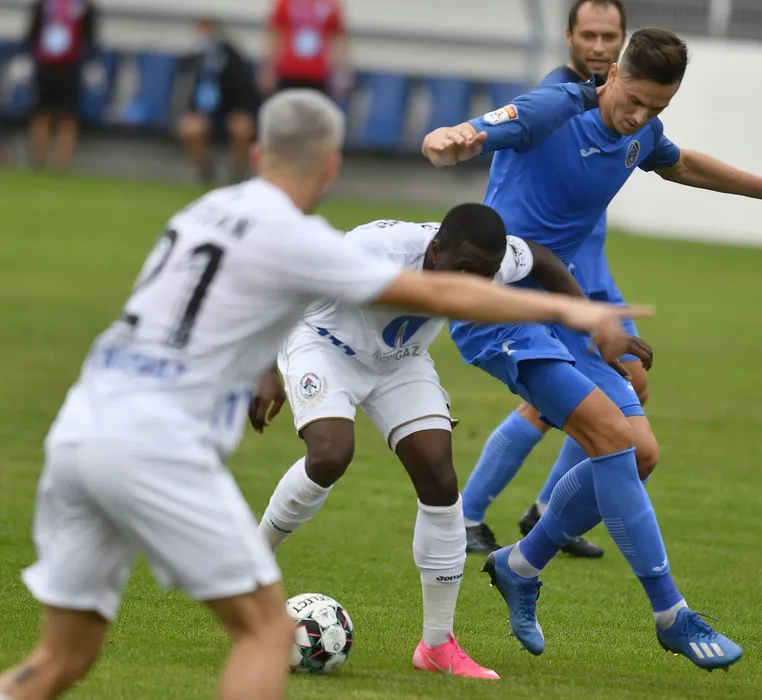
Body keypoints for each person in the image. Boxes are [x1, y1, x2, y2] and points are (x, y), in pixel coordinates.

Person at [0, 88, 649, 700]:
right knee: (269, 623)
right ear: (333, 167)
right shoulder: (335, 242)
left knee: (64, 657)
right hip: (245, 392)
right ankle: (260, 556)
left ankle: (437, 643)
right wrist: (577, 315)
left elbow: (532, 259)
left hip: (84, 425)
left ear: (257, 152)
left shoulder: (201, 212)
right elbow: (426, 293)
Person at [422, 28, 762, 670]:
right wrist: (452, 138)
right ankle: (671, 612)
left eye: (658, 108)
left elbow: (684, 164)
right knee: (610, 438)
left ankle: (521, 564)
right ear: (614, 74)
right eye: (635, 101)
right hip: (500, 308)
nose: (640, 117)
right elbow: (486, 129)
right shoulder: (556, 108)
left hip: (566, 308)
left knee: (641, 453)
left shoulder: (642, 133)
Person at [253, 205, 622, 680]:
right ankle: (253, 563)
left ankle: (436, 645)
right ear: (435, 250)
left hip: (400, 361)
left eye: (484, 275)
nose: (472, 283)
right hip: (325, 346)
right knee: (330, 454)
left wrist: (590, 321)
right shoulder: (374, 249)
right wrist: (263, 366)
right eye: (463, 269)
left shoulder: (485, 259)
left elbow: (542, 258)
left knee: (440, 478)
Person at [462, 0, 638, 560]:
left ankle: (544, 511)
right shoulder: (554, 101)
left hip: (594, 273)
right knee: (557, 406)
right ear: (569, 36)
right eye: (589, 35)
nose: (599, 46)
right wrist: (466, 134)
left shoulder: (624, 106)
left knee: (630, 386)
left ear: (623, 41)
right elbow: (509, 128)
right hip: (552, 278)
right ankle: (472, 513)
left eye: (609, 35)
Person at [178, 17, 260, 185]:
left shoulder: (232, 56)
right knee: (190, 127)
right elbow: (189, 89)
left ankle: (238, 173)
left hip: (230, 110)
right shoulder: (196, 57)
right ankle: (206, 170)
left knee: (242, 128)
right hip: (204, 111)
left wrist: (241, 110)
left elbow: (245, 89)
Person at [24, 0, 98, 170]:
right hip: (45, 64)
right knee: (41, 111)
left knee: (68, 114)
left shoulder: (84, 6)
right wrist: (28, 56)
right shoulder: (44, 5)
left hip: (71, 67)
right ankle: (40, 159)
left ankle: (61, 162)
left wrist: (90, 61)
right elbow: (33, 32)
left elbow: (90, 37)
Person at [260, 0, 351, 102]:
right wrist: (268, 69)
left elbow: (338, 39)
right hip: (289, 72)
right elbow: (275, 36)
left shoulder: (330, 4)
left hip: (319, 74)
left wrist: (341, 72)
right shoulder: (285, 3)